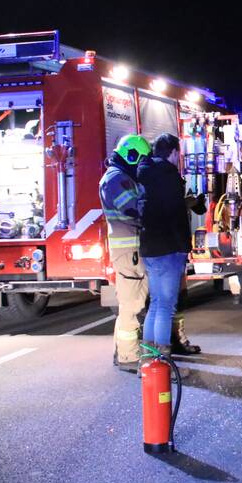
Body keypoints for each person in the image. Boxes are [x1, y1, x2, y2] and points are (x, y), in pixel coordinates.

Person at [138, 133, 197, 367]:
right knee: (166, 305)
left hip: (149, 247)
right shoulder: (169, 175)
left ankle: (148, 359)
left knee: (155, 303)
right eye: (178, 154)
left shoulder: (144, 172)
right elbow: (175, 216)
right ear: (173, 152)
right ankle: (161, 362)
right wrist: (184, 247)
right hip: (169, 248)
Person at [99, 134, 151, 373]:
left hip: (129, 250)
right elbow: (134, 209)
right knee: (132, 304)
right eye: (140, 161)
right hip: (128, 250)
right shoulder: (116, 180)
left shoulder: (118, 177)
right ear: (131, 156)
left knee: (131, 302)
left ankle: (122, 352)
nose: (141, 167)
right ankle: (129, 356)